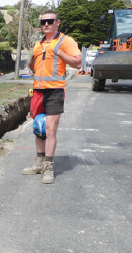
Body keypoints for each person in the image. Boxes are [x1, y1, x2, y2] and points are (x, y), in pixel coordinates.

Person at [24, 10, 81, 184]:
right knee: (39, 129)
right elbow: (33, 66)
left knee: (50, 130)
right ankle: (39, 162)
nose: (46, 24)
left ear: (58, 22)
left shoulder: (66, 41)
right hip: (38, 91)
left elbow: (78, 63)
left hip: (55, 91)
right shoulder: (37, 44)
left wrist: (60, 53)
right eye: (43, 22)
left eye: (49, 21)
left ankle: (48, 167)